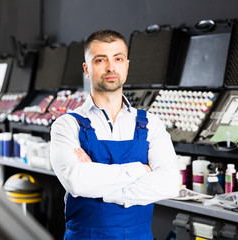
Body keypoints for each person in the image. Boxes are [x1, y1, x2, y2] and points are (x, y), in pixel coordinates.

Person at [50, 29, 179, 240]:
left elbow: (170, 183)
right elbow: (76, 182)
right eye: (100, 60)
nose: (111, 67)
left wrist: (103, 187)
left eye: (118, 58)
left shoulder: (151, 125)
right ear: (87, 68)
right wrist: (141, 170)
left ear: (126, 64)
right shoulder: (66, 125)